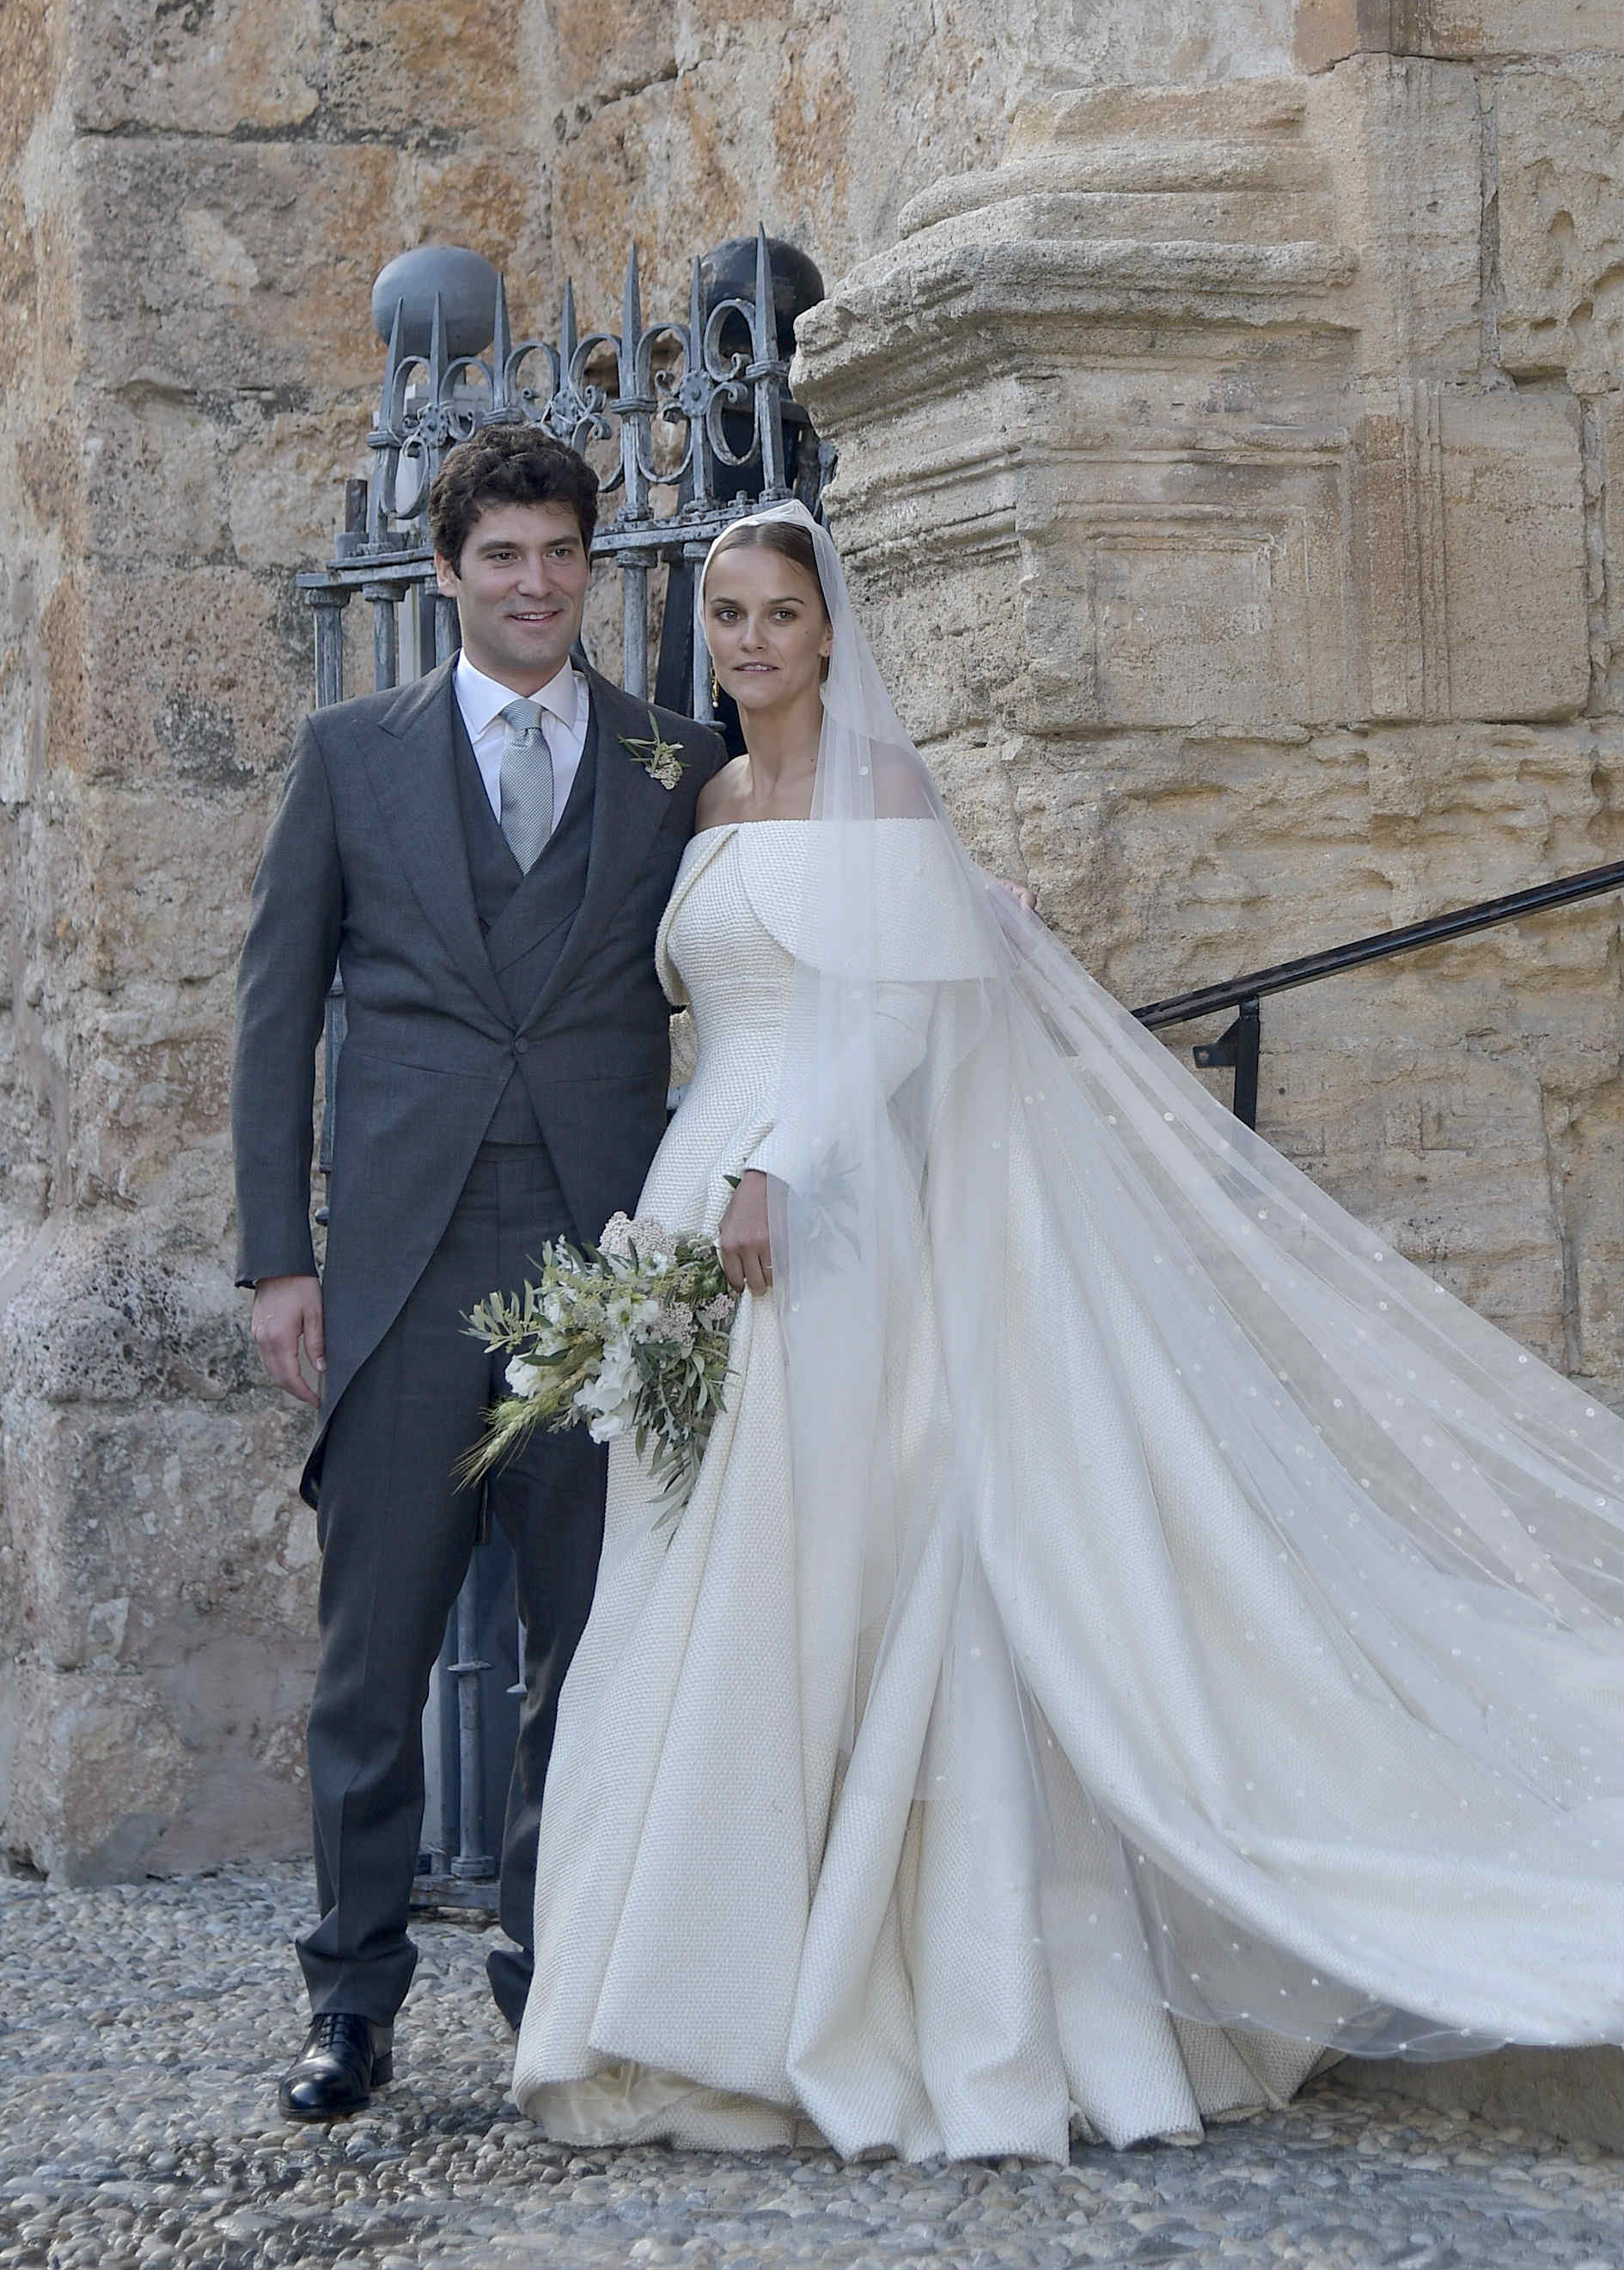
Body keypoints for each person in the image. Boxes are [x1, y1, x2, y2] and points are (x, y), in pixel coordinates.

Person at [510, 502, 1622, 2161]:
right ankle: (670, 1995)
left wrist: (783, 1166)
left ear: (832, 635)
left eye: (780, 616)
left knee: (823, 1579)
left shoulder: (884, 790)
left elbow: (894, 1016)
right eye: (727, 615)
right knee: (688, 1581)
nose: (749, 642)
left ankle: (845, 1991)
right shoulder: (715, 801)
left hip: (809, 1213)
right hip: (692, 1209)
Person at [231, 427, 726, 2122]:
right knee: (372, 1658)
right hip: (403, 1262)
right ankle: (352, 1998)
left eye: (560, 554)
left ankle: (549, 1970)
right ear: (445, 571)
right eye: (502, 555)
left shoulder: (675, 755)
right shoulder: (352, 756)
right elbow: (276, 1015)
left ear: (594, 566)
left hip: (602, 1256)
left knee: (584, 1651)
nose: (534, 583)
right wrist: (276, 1261)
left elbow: (786, 897)